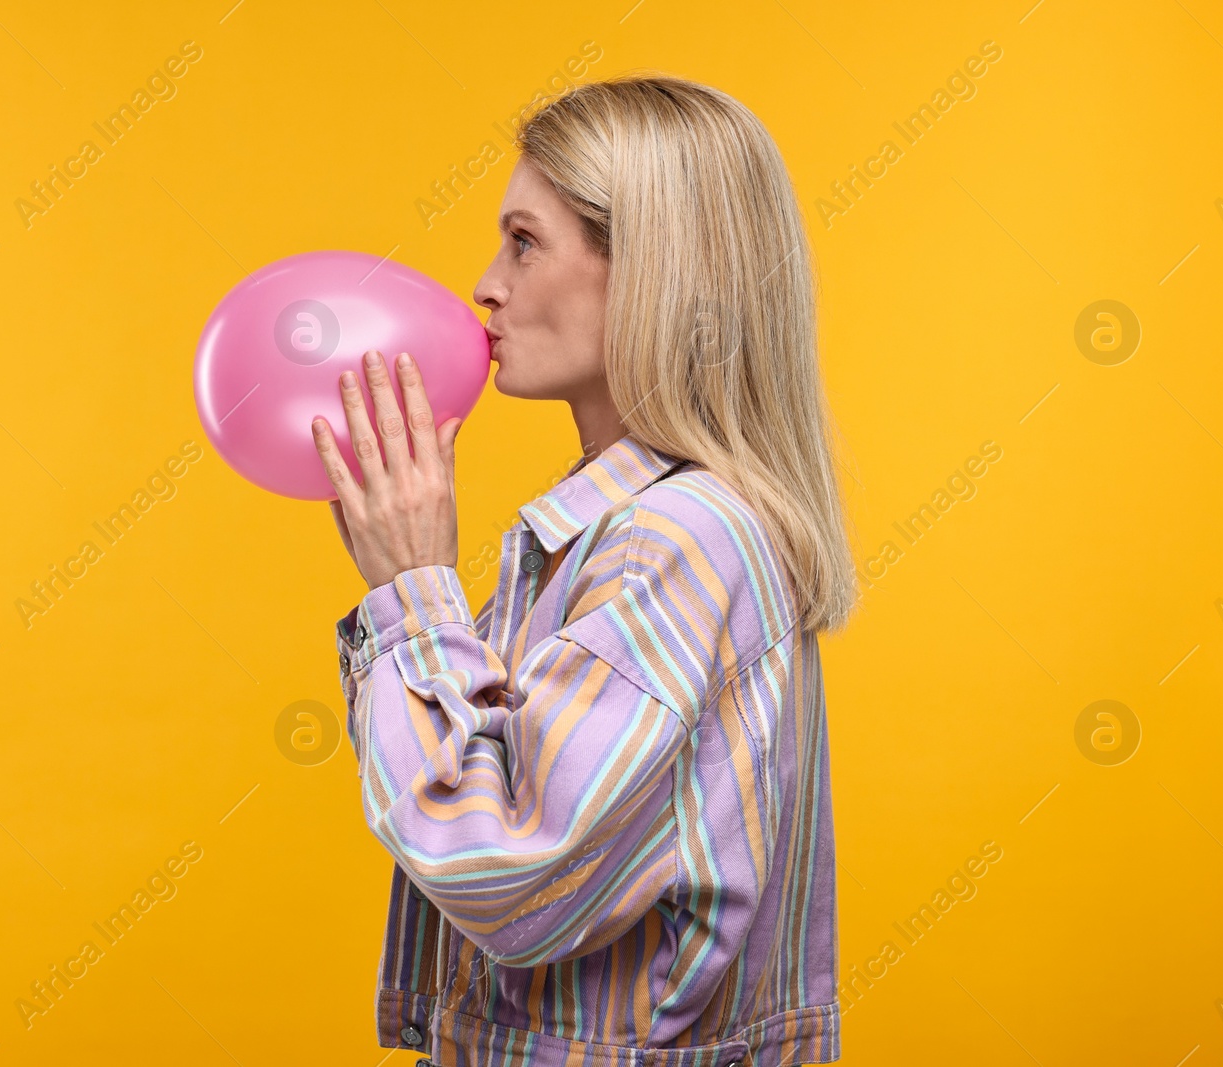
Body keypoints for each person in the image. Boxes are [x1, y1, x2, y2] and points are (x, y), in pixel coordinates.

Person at [313, 73, 856, 1067]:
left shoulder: (681, 537)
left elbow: (506, 872)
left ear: (653, 268)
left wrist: (414, 596)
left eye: (524, 241)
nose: (485, 283)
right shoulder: (617, 531)